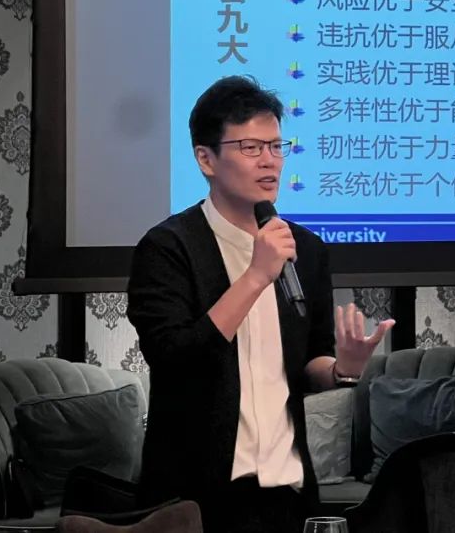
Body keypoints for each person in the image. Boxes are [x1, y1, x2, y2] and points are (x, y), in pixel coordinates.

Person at [127, 76, 394, 532]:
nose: (269, 161)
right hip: (195, 498)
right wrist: (255, 276)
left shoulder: (305, 249)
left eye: (276, 146)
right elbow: (174, 358)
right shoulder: (167, 248)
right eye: (250, 147)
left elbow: (308, 362)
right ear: (206, 159)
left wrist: (342, 370)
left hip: (287, 491)